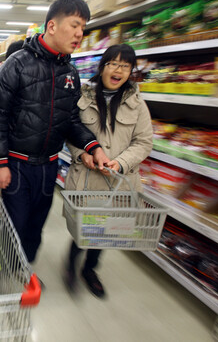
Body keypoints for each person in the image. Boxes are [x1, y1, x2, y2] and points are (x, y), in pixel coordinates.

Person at [0, 0, 110, 264]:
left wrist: (93, 146)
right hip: (17, 165)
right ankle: (7, 272)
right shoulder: (16, 64)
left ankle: (24, 269)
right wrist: (0, 162)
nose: (79, 34)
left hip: (49, 166)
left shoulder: (70, 72)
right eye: (75, 25)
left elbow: (71, 119)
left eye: (83, 28)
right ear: (52, 26)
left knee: (35, 226)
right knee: (14, 224)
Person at [64, 44, 153, 298]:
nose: (118, 70)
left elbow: (144, 142)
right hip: (87, 177)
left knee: (106, 232)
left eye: (125, 66)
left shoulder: (137, 104)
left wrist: (121, 163)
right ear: (102, 67)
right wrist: (82, 154)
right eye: (113, 64)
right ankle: (71, 264)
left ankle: (90, 270)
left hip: (119, 183)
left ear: (131, 72)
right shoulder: (83, 97)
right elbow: (70, 132)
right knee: (83, 229)